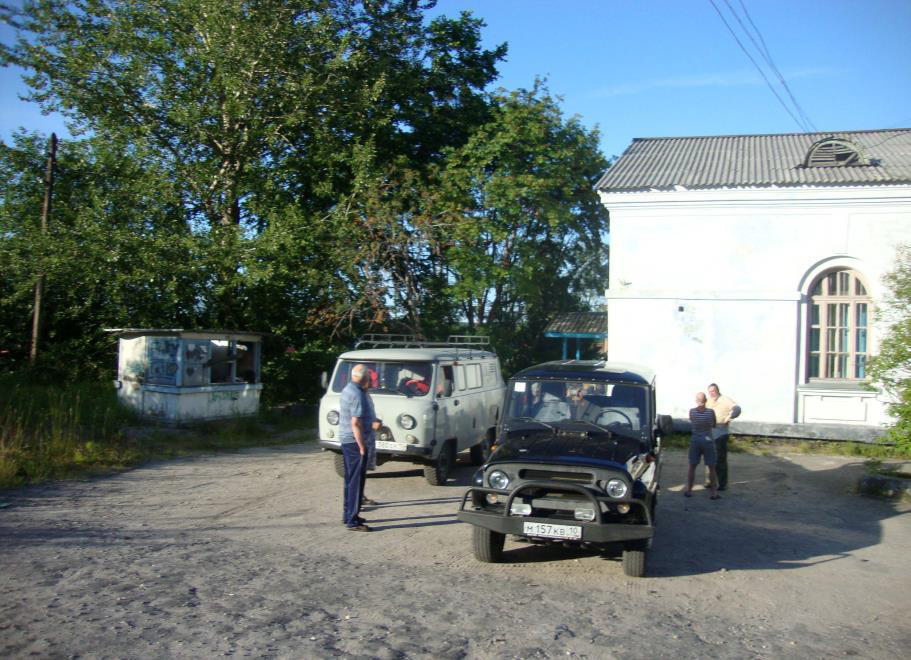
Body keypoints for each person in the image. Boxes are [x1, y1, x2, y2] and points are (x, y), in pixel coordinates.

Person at [339, 363, 375, 531]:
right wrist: (361, 446)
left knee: (350, 479)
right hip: (354, 442)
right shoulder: (357, 394)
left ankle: (348, 515)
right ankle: (352, 521)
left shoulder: (348, 388)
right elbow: (356, 423)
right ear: (365, 378)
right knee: (356, 481)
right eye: (369, 375)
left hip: (346, 441)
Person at [705, 382, 741, 491]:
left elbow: (737, 408)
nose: (712, 393)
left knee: (720, 459)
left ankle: (722, 484)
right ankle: (710, 482)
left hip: (721, 433)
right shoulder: (708, 401)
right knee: (709, 458)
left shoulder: (725, 399)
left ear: (718, 390)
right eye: (710, 391)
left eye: (714, 391)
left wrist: (730, 416)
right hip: (709, 433)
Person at [685, 392, 720, 499]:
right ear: (706, 401)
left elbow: (692, 421)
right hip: (708, 440)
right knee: (711, 467)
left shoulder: (692, 412)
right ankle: (713, 492)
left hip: (695, 439)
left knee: (692, 466)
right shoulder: (710, 412)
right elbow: (714, 424)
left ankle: (689, 490)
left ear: (696, 401)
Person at [361, 373, 381, 508]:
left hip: (368, 436)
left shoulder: (366, 394)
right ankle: (356, 501)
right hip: (361, 438)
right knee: (358, 471)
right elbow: (355, 420)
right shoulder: (359, 395)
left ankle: (360, 496)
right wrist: (371, 424)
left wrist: (375, 420)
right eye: (371, 381)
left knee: (362, 470)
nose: (374, 383)